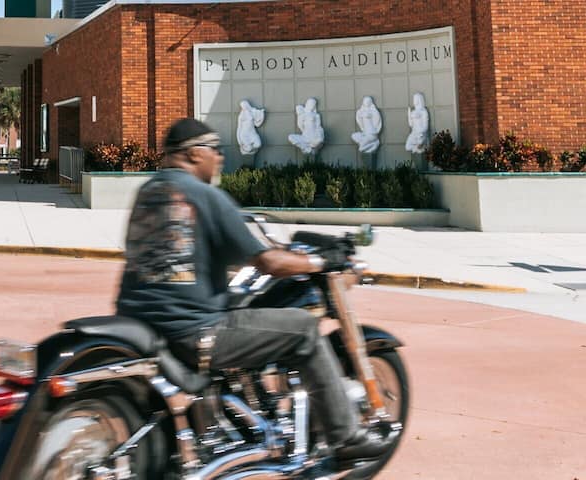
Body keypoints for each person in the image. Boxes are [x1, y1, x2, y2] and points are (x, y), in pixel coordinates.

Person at [114, 118, 391, 460]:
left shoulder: (149, 192)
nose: (220, 158)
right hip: (195, 334)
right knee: (303, 329)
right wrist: (319, 263)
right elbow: (268, 263)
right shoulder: (205, 196)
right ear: (194, 154)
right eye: (215, 150)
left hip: (142, 324)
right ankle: (346, 437)